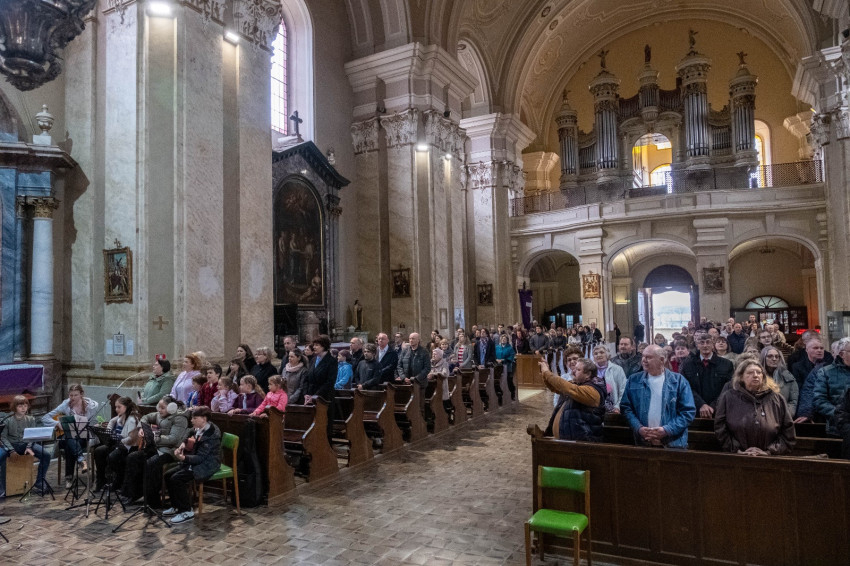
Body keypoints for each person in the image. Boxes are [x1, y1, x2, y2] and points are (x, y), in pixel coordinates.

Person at [620, 345, 696, 448]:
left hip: (673, 443)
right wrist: (638, 428)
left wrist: (667, 430)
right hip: (643, 442)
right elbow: (626, 408)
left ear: (662, 360)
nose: (644, 360)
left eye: (648, 357)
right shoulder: (634, 380)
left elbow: (687, 412)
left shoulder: (678, 381)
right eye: (643, 356)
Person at [714, 360, 795, 456]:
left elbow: (788, 431)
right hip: (736, 456)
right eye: (750, 373)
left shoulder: (776, 399)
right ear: (741, 377)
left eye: (759, 372)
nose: (755, 375)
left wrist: (770, 451)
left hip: (770, 458)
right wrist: (736, 450)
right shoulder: (728, 397)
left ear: (763, 376)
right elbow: (720, 428)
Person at [121, 396, 190, 507]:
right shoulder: (159, 415)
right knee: (133, 457)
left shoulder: (180, 419)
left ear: (172, 408)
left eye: (163, 408)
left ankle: (152, 501)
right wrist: (142, 428)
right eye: (159, 407)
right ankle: (132, 494)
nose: (159, 410)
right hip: (156, 448)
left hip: (170, 451)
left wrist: (155, 437)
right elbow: (145, 417)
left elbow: (174, 439)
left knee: (152, 463)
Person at [164, 406, 221, 524]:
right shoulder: (200, 427)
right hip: (196, 460)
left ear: (204, 419)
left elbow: (200, 458)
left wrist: (184, 458)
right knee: (168, 475)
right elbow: (189, 431)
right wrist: (183, 443)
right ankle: (176, 506)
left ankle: (187, 511)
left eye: (195, 418)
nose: (192, 420)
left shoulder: (211, 435)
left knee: (176, 479)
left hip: (207, 464)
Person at [43, 383, 100, 488]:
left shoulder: (92, 406)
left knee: (69, 442)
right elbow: (45, 418)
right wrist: (57, 423)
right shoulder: (66, 404)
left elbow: (96, 422)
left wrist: (92, 425)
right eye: (71, 395)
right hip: (69, 436)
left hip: (84, 436)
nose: (73, 398)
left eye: (75, 395)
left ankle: (69, 477)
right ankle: (81, 460)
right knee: (70, 439)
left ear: (81, 394)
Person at [539, 357, 606, 441]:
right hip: (569, 440)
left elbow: (568, 388)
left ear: (588, 374)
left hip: (584, 441)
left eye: (578, 369)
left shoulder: (593, 390)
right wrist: (545, 372)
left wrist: (547, 373)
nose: (573, 371)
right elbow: (555, 387)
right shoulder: (578, 384)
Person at [1, 396, 52, 496]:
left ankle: (39, 482)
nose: (23, 408)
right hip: (11, 445)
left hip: (26, 444)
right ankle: (2, 487)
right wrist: (11, 450)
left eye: (25, 406)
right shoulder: (7, 420)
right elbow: (3, 437)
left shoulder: (31, 419)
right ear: (15, 407)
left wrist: (28, 447)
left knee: (46, 455)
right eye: (20, 406)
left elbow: (32, 436)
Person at [680, 333, 734, 418]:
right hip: (694, 411)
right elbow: (685, 387)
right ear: (697, 345)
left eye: (708, 342)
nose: (705, 345)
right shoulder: (687, 364)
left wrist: (713, 406)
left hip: (720, 411)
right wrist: (701, 404)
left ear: (713, 345)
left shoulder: (726, 364)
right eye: (702, 342)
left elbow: (728, 388)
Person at [93, 396, 139, 492]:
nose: (116, 409)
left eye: (119, 407)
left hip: (127, 447)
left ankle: (118, 480)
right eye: (115, 407)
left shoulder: (131, 419)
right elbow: (112, 421)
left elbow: (131, 439)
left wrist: (119, 440)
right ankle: (101, 480)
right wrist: (109, 432)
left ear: (126, 407)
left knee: (112, 457)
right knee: (99, 451)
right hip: (118, 444)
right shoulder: (121, 416)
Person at [812, 337, 850, 436]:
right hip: (837, 428)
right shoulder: (826, 372)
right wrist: (840, 416)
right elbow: (819, 400)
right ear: (842, 354)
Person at [760, 346, 799, 417]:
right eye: (770, 356)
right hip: (762, 417)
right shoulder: (757, 376)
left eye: (777, 356)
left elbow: (793, 401)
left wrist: (785, 415)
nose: (774, 359)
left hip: (783, 416)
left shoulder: (787, 376)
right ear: (763, 358)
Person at [592, 345, 626, 413]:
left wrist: (617, 407)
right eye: (596, 353)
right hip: (594, 409)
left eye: (602, 352)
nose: (598, 355)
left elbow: (623, 390)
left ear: (607, 354)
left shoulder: (617, 369)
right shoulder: (590, 370)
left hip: (613, 408)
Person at [495, 333, 517, 401]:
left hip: (507, 366)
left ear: (507, 340)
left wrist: (503, 360)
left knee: (509, 380)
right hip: (498, 367)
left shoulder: (510, 348)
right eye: (502, 339)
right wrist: (496, 359)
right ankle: (499, 394)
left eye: (505, 339)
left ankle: (512, 393)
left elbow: (511, 357)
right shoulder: (497, 347)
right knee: (497, 381)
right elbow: (494, 355)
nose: (503, 340)